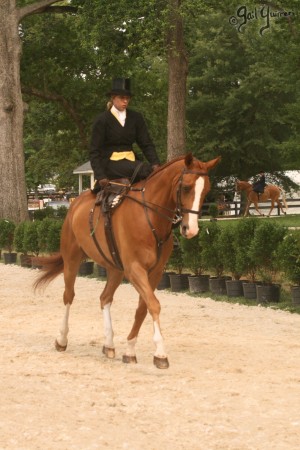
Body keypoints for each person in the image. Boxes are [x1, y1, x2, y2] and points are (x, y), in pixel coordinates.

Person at [90, 78, 160, 192]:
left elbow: (146, 143)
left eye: (127, 98)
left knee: (154, 174)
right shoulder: (102, 120)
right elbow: (94, 151)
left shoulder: (136, 118)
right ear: (113, 98)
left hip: (131, 161)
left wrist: (156, 164)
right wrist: (100, 175)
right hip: (110, 163)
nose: (125, 101)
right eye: (122, 98)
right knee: (145, 170)